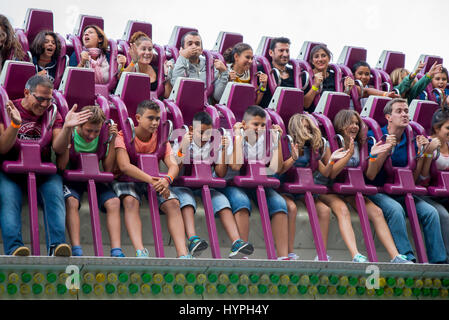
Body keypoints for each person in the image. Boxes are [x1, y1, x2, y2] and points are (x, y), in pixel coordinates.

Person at [0, 75, 92, 256]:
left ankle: (56, 246)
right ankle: (14, 248)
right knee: (9, 199)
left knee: (55, 195)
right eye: (40, 99)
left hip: (42, 168)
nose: (44, 104)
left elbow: (58, 147)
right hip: (10, 167)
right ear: (27, 93)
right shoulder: (8, 108)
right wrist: (15, 124)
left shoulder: (52, 112)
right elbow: (3, 147)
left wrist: (67, 128)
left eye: (48, 100)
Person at [365, 98, 447, 263]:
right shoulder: (374, 135)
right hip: (377, 190)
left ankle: (439, 261)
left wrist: (423, 154)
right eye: (399, 111)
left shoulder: (412, 138)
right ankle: (406, 257)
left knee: (431, 212)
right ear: (388, 117)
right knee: (395, 210)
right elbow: (370, 175)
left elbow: (415, 177)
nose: (404, 115)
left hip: (402, 190)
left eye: (406, 111)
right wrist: (385, 150)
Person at [326, 109, 411, 263]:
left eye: (356, 123)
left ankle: (395, 256)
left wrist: (372, 157)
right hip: (331, 189)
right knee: (343, 210)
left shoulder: (362, 145)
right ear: (340, 125)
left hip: (352, 190)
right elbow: (331, 174)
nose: (354, 126)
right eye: (350, 123)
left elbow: (369, 174)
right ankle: (355, 255)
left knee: (377, 212)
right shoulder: (333, 143)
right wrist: (347, 155)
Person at [112, 99, 191, 258]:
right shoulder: (123, 135)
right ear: (138, 118)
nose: (155, 122)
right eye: (150, 118)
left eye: (157, 119)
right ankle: (140, 250)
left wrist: (167, 180)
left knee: (173, 203)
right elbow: (124, 166)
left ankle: (183, 254)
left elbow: (173, 165)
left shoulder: (161, 138)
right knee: (130, 201)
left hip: (155, 182)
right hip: (128, 180)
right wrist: (152, 180)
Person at [172, 111, 254, 258]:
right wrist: (183, 148)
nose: (204, 137)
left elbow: (220, 173)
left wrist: (222, 151)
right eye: (201, 132)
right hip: (184, 186)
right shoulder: (182, 141)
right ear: (191, 130)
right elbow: (175, 168)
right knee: (187, 202)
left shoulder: (213, 144)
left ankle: (237, 242)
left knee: (222, 201)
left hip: (206, 186)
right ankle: (192, 239)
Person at [219, 105, 290, 260]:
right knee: (241, 200)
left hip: (255, 182)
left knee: (279, 203)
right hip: (231, 182)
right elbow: (236, 165)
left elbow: (276, 168)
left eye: (263, 125)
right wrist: (238, 136)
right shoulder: (233, 136)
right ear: (244, 125)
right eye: (255, 124)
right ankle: (242, 251)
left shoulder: (265, 140)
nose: (259, 128)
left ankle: (283, 256)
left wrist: (277, 141)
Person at [59, 105, 121, 257]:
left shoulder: (102, 137)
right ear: (79, 125)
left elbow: (107, 168)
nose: (92, 135)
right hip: (72, 176)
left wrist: (112, 141)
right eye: (88, 130)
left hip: (94, 175)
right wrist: (67, 137)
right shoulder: (71, 134)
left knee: (114, 202)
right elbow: (61, 165)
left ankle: (116, 250)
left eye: (96, 131)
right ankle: (77, 249)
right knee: (71, 201)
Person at [277, 113, 333, 261]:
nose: (307, 129)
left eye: (309, 127)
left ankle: (322, 253)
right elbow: (280, 169)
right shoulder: (287, 143)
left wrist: (333, 160)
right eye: (304, 126)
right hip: (285, 186)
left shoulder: (311, 149)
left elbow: (325, 172)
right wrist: (293, 158)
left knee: (325, 210)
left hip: (303, 188)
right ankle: (289, 251)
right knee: (291, 208)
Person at [414, 106, 449, 263]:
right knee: (442, 215)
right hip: (428, 194)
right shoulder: (429, 144)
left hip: (445, 194)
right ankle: (443, 260)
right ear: (437, 127)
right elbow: (422, 177)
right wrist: (428, 153)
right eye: (448, 128)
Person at [168, 31, 229, 103]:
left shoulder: (210, 65)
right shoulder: (173, 63)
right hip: (182, 105)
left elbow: (217, 96)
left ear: (201, 50)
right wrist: (183, 57)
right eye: (190, 44)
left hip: (204, 108)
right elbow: (178, 87)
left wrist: (224, 73)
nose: (194, 46)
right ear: (182, 49)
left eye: (197, 44)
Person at [117, 31, 172, 99]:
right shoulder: (130, 67)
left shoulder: (157, 71)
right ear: (135, 50)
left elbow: (168, 96)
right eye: (143, 49)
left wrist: (167, 75)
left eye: (150, 49)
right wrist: (134, 61)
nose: (147, 52)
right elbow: (122, 80)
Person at [302, 45, 354, 112]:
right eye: (316, 57)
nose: (320, 59)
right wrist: (315, 85)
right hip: (313, 116)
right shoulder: (306, 76)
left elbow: (340, 105)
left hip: (333, 114)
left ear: (329, 58)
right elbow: (305, 104)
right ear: (312, 61)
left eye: (323, 56)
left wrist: (347, 91)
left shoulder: (336, 77)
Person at [257, 37, 292, 108]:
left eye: (287, 51)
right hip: (267, 115)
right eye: (281, 51)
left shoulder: (296, 74)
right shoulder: (261, 70)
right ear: (271, 52)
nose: (285, 54)